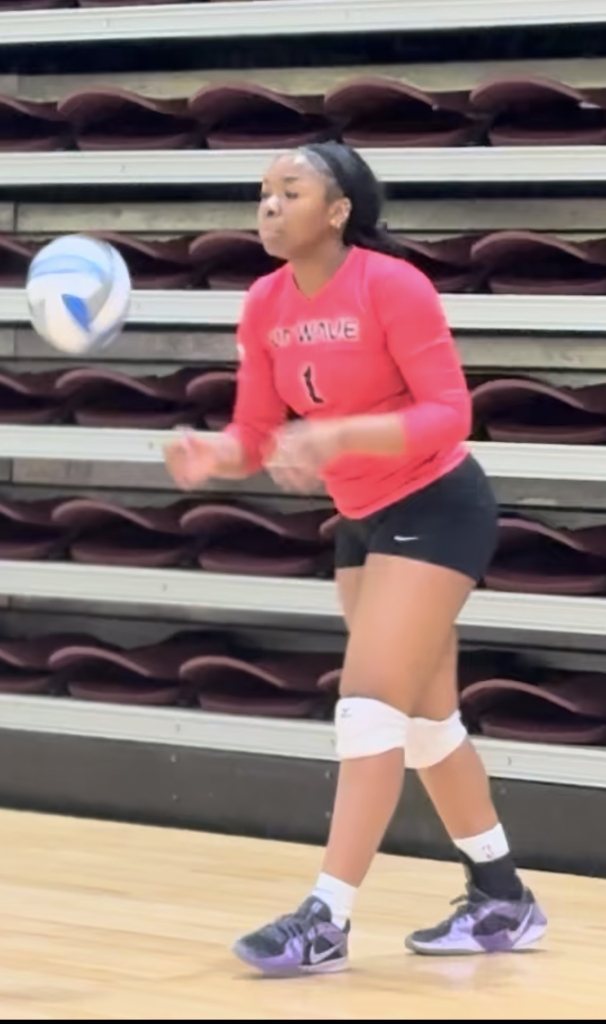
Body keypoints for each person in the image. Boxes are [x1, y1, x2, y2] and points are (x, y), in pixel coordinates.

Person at [164, 140, 547, 974]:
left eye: (290, 191)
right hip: (361, 523)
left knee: (367, 707)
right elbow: (256, 432)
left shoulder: (391, 285)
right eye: (263, 192)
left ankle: (326, 919)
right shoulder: (264, 302)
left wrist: (342, 435)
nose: (269, 205)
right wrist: (215, 455)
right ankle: (503, 897)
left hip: (437, 507)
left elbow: (449, 413)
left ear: (338, 212)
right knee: (424, 727)